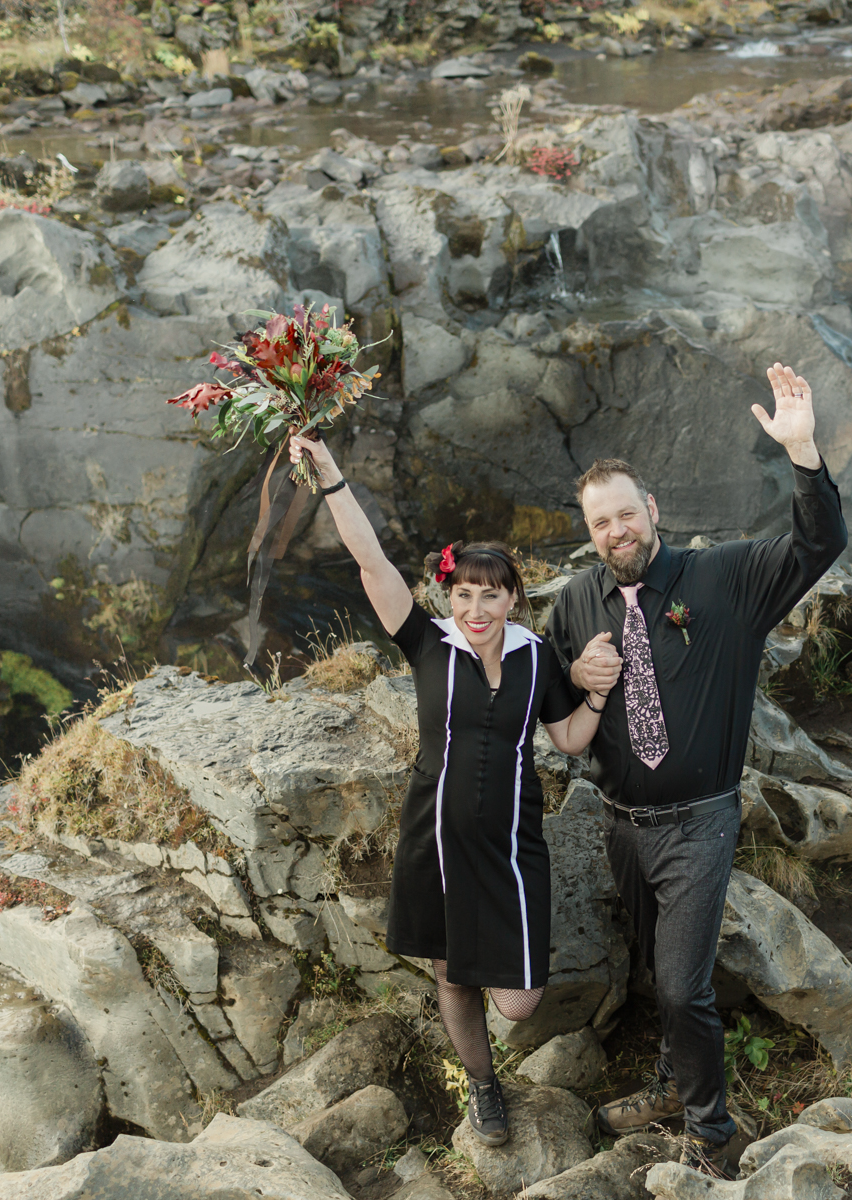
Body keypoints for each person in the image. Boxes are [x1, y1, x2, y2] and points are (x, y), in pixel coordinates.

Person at [544, 363, 847, 1178]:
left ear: (654, 512)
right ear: (590, 531)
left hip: (700, 820)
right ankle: (675, 1083)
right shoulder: (574, 603)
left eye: (626, 515)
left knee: (682, 987)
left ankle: (715, 1133)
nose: (616, 532)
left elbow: (820, 543)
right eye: (599, 523)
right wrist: (575, 680)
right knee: (654, 970)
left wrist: (804, 452)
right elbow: (542, 693)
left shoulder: (727, 579)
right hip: (620, 827)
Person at [287, 432, 619, 1147]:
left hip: (512, 846)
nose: (474, 607)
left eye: (489, 595)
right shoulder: (426, 642)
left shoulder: (539, 658)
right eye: (462, 593)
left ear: (512, 598)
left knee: (521, 1001)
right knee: (454, 975)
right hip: (434, 837)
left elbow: (564, 740)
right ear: (450, 594)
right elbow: (369, 560)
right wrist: (333, 476)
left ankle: (495, 1058)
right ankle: (483, 1085)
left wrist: (596, 695)